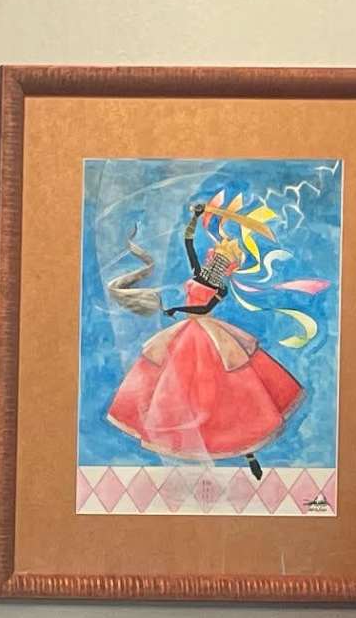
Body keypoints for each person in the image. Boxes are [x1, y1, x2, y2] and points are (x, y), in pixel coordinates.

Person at [105, 193, 306, 470]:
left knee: (229, 390)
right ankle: (180, 443)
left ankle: (247, 450)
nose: (216, 266)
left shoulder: (220, 288)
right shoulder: (199, 272)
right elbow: (188, 243)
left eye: (222, 264)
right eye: (216, 261)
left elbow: (201, 310)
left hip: (206, 333)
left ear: (226, 269)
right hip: (188, 332)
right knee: (177, 388)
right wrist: (195, 218)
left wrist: (176, 310)